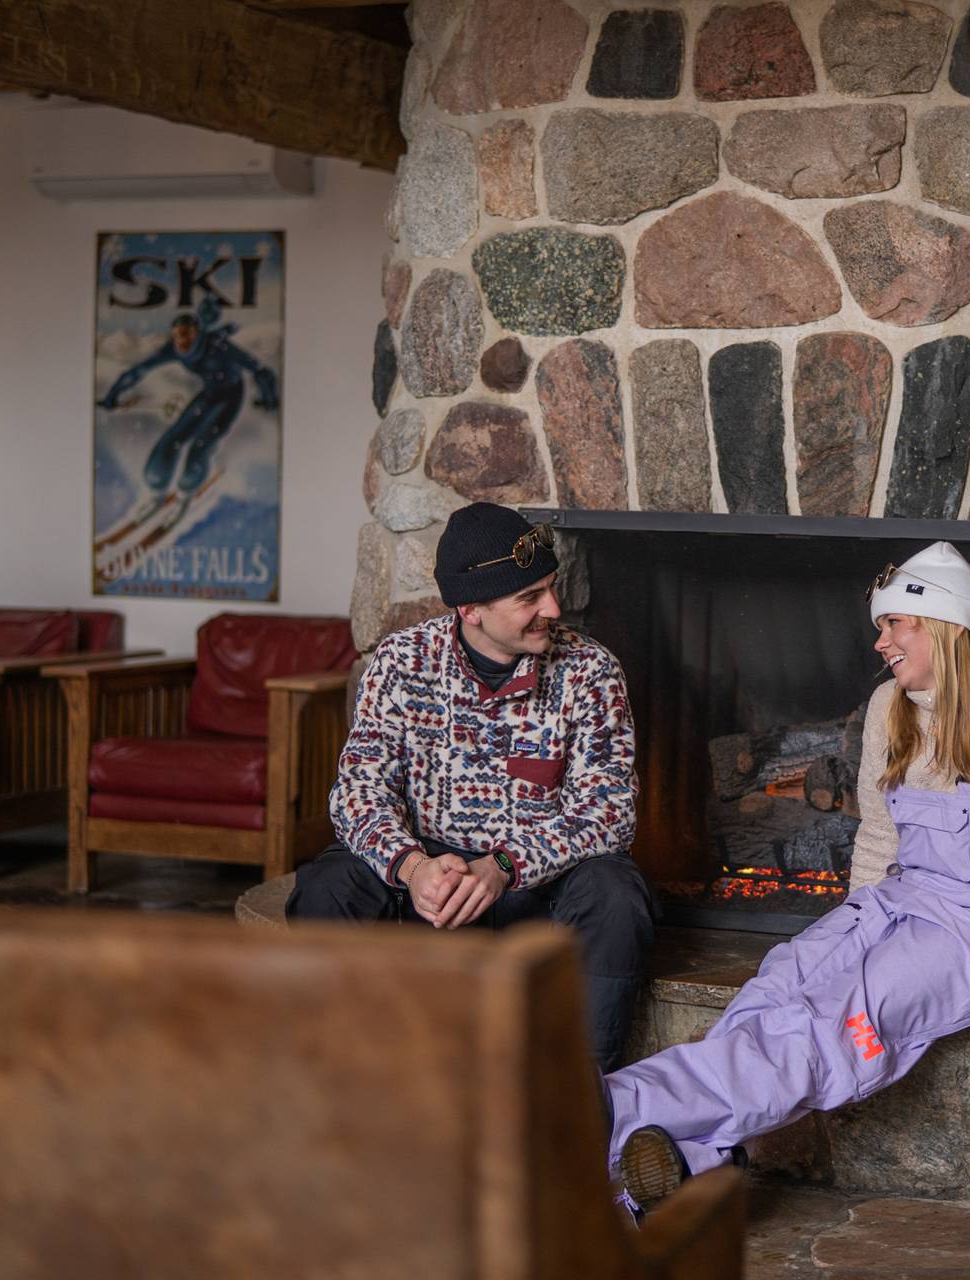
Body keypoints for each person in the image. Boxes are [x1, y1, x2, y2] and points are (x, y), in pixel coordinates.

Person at [606, 541, 970, 1212]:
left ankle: (603, 1113)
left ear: (946, 626)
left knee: (824, 1031)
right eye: (880, 627)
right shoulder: (888, 707)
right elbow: (878, 839)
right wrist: (851, 935)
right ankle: (689, 1169)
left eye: (895, 624)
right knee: (778, 984)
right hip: (898, 904)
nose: (880, 643)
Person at [288, 502, 654, 1070]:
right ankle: (338, 1084)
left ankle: (583, 1104)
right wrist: (412, 869)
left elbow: (610, 812)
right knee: (326, 888)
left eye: (550, 587)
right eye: (529, 598)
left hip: (537, 885)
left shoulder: (590, 671)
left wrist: (502, 867)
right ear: (471, 609)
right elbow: (358, 791)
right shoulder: (402, 662)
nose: (553, 609)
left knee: (615, 896)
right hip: (428, 879)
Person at [98, 296, 280, 500]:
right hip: (210, 393)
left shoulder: (219, 347)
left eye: (188, 335)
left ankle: (188, 486)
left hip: (232, 396)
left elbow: (262, 371)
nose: (183, 341)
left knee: (202, 443)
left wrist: (270, 401)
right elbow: (137, 372)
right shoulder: (173, 349)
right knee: (175, 436)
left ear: (198, 334)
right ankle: (155, 484)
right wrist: (111, 396)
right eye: (178, 336)